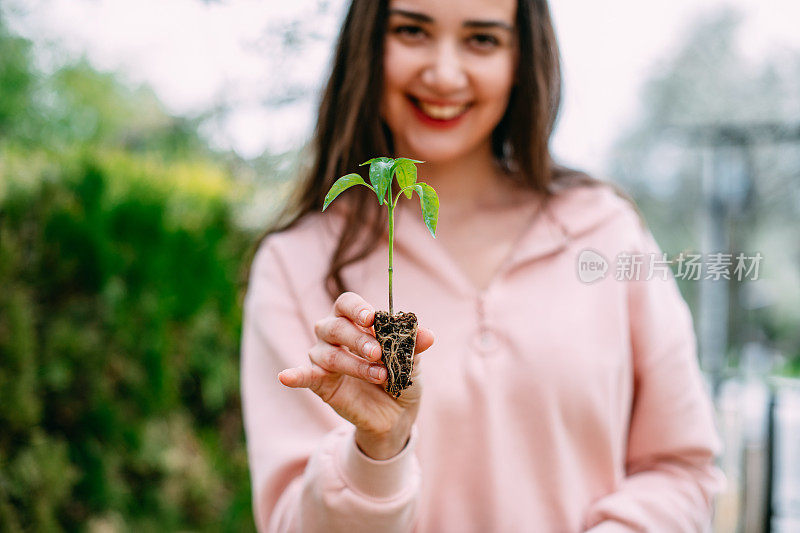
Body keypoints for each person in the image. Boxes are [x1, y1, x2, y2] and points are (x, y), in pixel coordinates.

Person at [240, 0, 725, 531]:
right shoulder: (295, 263)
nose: (444, 73)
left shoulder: (604, 232)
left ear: (523, 59)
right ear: (367, 41)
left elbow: (682, 470)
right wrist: (377, 450)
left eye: (482, 39)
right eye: (411, 30)